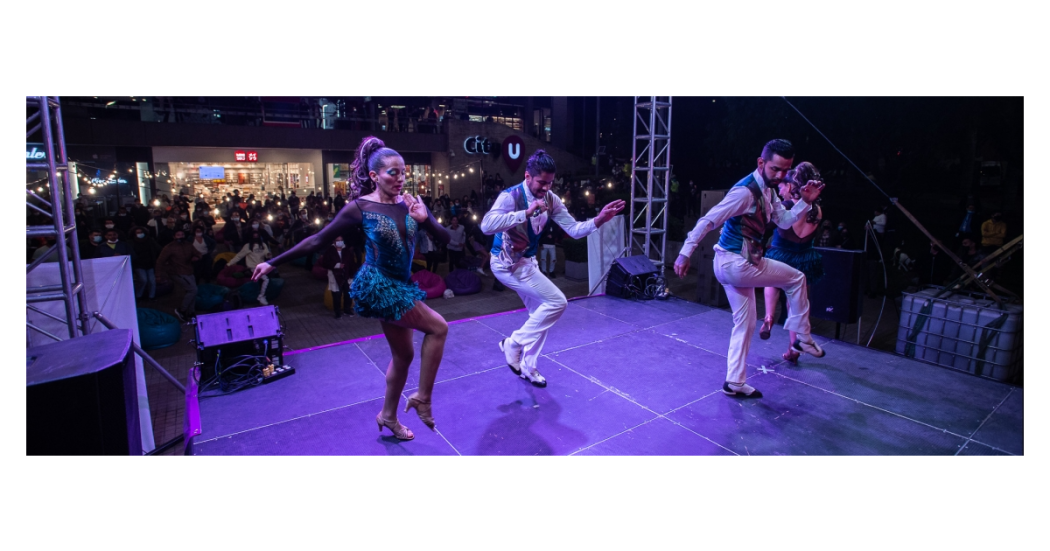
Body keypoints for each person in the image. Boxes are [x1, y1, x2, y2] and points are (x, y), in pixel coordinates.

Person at [252, 137, 451, 442]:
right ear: (374, 176)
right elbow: (317, 240)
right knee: (438, 328)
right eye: (392, 173)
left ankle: (388, 415)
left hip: (402, 285)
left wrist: (425, 220)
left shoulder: (411, 204)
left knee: (404, 356)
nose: (400, 179)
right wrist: (272, 263)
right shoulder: (359, 208)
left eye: (403, 172)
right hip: (379, 286)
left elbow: (446, 239)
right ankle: (423, 399)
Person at [674, 140, 826, 399]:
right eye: (775, 169)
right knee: (797, 278)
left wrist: (806, 203)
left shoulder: (769, 191)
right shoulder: (745, 192)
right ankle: (802, 336)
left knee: (745, 323)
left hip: (733, 263)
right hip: (737, 263)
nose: (780, 176)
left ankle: (734, 382)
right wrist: (685, 252)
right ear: (761, 163)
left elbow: (785, 222)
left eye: (785, 171)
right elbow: (709, 219)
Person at [482, 150, 626, 388]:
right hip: (505, 264)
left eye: (550, 183)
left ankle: (528, 365)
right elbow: (486, 225)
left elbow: (575, 230)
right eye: (541, 183)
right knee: (557, 302)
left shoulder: (551, 199)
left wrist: (599, 219)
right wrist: (523, 214)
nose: (546, 188)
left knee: (543, 313)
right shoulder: (511, 196)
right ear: (528, 176)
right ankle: (514, 343)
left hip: (527, 263)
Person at [760, 162, 826, 365]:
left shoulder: (789, 207)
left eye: (783, 185)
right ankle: (793, 347)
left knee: (771, 282)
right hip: (804, 258)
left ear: (791, 186)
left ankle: (769, 316)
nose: (780, 188)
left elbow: (772, 224)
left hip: (781, 253)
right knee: (795, 304)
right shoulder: (818, 210)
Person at [156, 229, 200, 322]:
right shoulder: (169, 248)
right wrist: (158, 275)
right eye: (178, 235)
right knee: (193, 289)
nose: (180, 236)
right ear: (174, 236)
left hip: (189, 270)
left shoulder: (188, 245)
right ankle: (182, 310)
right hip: (177, 272)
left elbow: (198, 253)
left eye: (182, 234)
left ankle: (191, 312)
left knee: (193, 291)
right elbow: (160, 261)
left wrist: (197, 257)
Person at [230, 232, 273, 305]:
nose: (256, 238)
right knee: (265, 279)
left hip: (261, 266)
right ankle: (261, 296)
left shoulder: (263, 245)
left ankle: (262, 295)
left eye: (257, 236)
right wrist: (229, 263)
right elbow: (239, 256)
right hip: (253, 267)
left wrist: (268, 255)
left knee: (268, 277)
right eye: (254, 236)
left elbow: (266, 253)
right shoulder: (248, 246)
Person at [321, 236, 359, 319]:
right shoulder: (330, 251)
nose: (340, 242)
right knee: (337, 295)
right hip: (335, 276)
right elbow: (325, 263)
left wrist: (353, 274)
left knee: (348, 294)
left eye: (341, 240)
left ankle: (347, 309)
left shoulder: (347, 250)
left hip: (346, 275)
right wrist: (337, 265)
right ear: (334, 241)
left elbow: (352, 263)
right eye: (338, 240)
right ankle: (337, 312)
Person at [131, 228, 161, 301]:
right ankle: (138, 295)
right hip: (139, 264)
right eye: (137, 232)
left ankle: (151, 296)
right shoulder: (131, 243)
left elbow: (158, 249)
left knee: (152, 281)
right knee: (143, 280)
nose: (139, 233)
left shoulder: (150, 241)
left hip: (150, 263)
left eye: (141, 232)